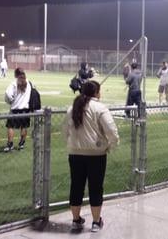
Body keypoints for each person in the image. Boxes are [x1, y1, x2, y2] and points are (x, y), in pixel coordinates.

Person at [63, 80, 119, 232]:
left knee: (76, 186)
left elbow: (65, 131)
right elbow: (112, 131)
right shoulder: (100, 108)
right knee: (95, 187)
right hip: (96, 155)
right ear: (96, 92)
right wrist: (110, 146)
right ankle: (96, 222)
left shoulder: (72, 108)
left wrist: (71, 145)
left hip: (75, 154)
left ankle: (76, 220)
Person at [1, 68, 33, 152]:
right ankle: (21, 144)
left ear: (16, 74)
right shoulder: (29, 83)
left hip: (15, 109)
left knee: (10, 127)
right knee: (24, 126)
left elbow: (8, 94)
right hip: (26, 109)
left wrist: (11, 100)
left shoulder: (14, 83)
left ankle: (10, 144)